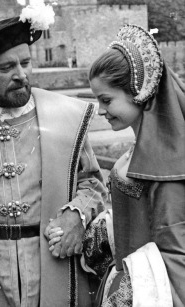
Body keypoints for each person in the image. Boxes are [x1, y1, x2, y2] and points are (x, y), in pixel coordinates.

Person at [0, 3, 106, 307]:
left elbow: (92, 183)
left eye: (25, 63)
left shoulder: (67, 117)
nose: (21, 75)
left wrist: (77, 214)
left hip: (56, 268)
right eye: (6, 68)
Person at [49, 24, 185, 306]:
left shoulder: (166, 166)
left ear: (140, 91)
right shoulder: (139, 152)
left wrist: (126, 294)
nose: (100, 110)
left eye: (107, 100)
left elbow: (177, 254)